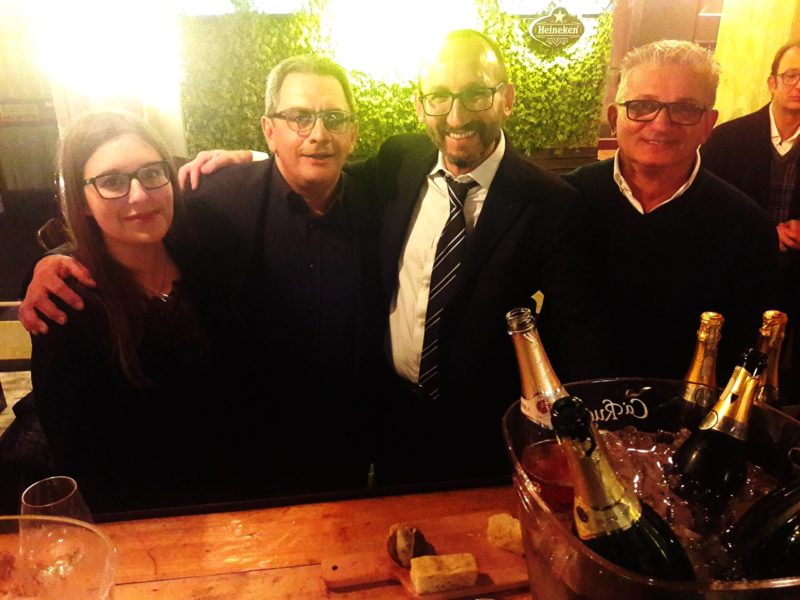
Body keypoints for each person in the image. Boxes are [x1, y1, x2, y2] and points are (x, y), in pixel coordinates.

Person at [174, 31, 611, 487]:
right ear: (421, 107)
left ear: (507, 98)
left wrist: (587, 439)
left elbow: (579, 330)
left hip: (484, 432)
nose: (456, 116)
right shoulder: (401, 160)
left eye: (476, 94)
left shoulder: (550, 202)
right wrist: (258, 160)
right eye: (439, 97)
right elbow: (326, 165)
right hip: (392, 421)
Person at [21, 57, 383, 497]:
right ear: (270, 130)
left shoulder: (379, 197)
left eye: (334, 118)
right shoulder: (220, 200)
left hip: (341, 453)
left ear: (353, 132)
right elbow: (83, 455)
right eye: (299, 117)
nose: (318, 134)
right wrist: (54, 262)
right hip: (242, 477)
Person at [29, 110, 263, 514]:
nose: (139, 195)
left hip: (248, 507)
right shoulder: (69, 306)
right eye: (112, 182)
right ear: (83, 204)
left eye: (152, 173)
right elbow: (87, 465)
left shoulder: (204, 258)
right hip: (153, 527)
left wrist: (251, 156)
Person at [564, 40, 780, 382]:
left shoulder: (748, 227)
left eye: (685, 109)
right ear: (614, 117)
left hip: (687, 411)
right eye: (642, 106)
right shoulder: (564, 200)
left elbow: (744, 354)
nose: (661, 124)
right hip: (569, 405)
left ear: (708, 124)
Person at [701, 41, 800, 404]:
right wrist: (764, 232)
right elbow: (706, 205)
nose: (799, 85)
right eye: (792, 75)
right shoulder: (727, 138)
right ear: (772, 83)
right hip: (740, 269)